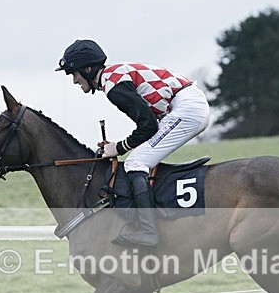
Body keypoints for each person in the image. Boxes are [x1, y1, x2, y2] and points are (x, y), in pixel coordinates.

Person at [56, 39, 210, 246]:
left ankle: (148, 231)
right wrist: (117, 146)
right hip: (184, 105)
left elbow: (148, 127)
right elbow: (147, 124)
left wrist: (117, 148)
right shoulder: (113, 77)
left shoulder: (114, 87)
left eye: (74, 73)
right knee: (141, 157)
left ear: (88, 69)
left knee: (135, 162)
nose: (74, 80)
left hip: (186, 109)